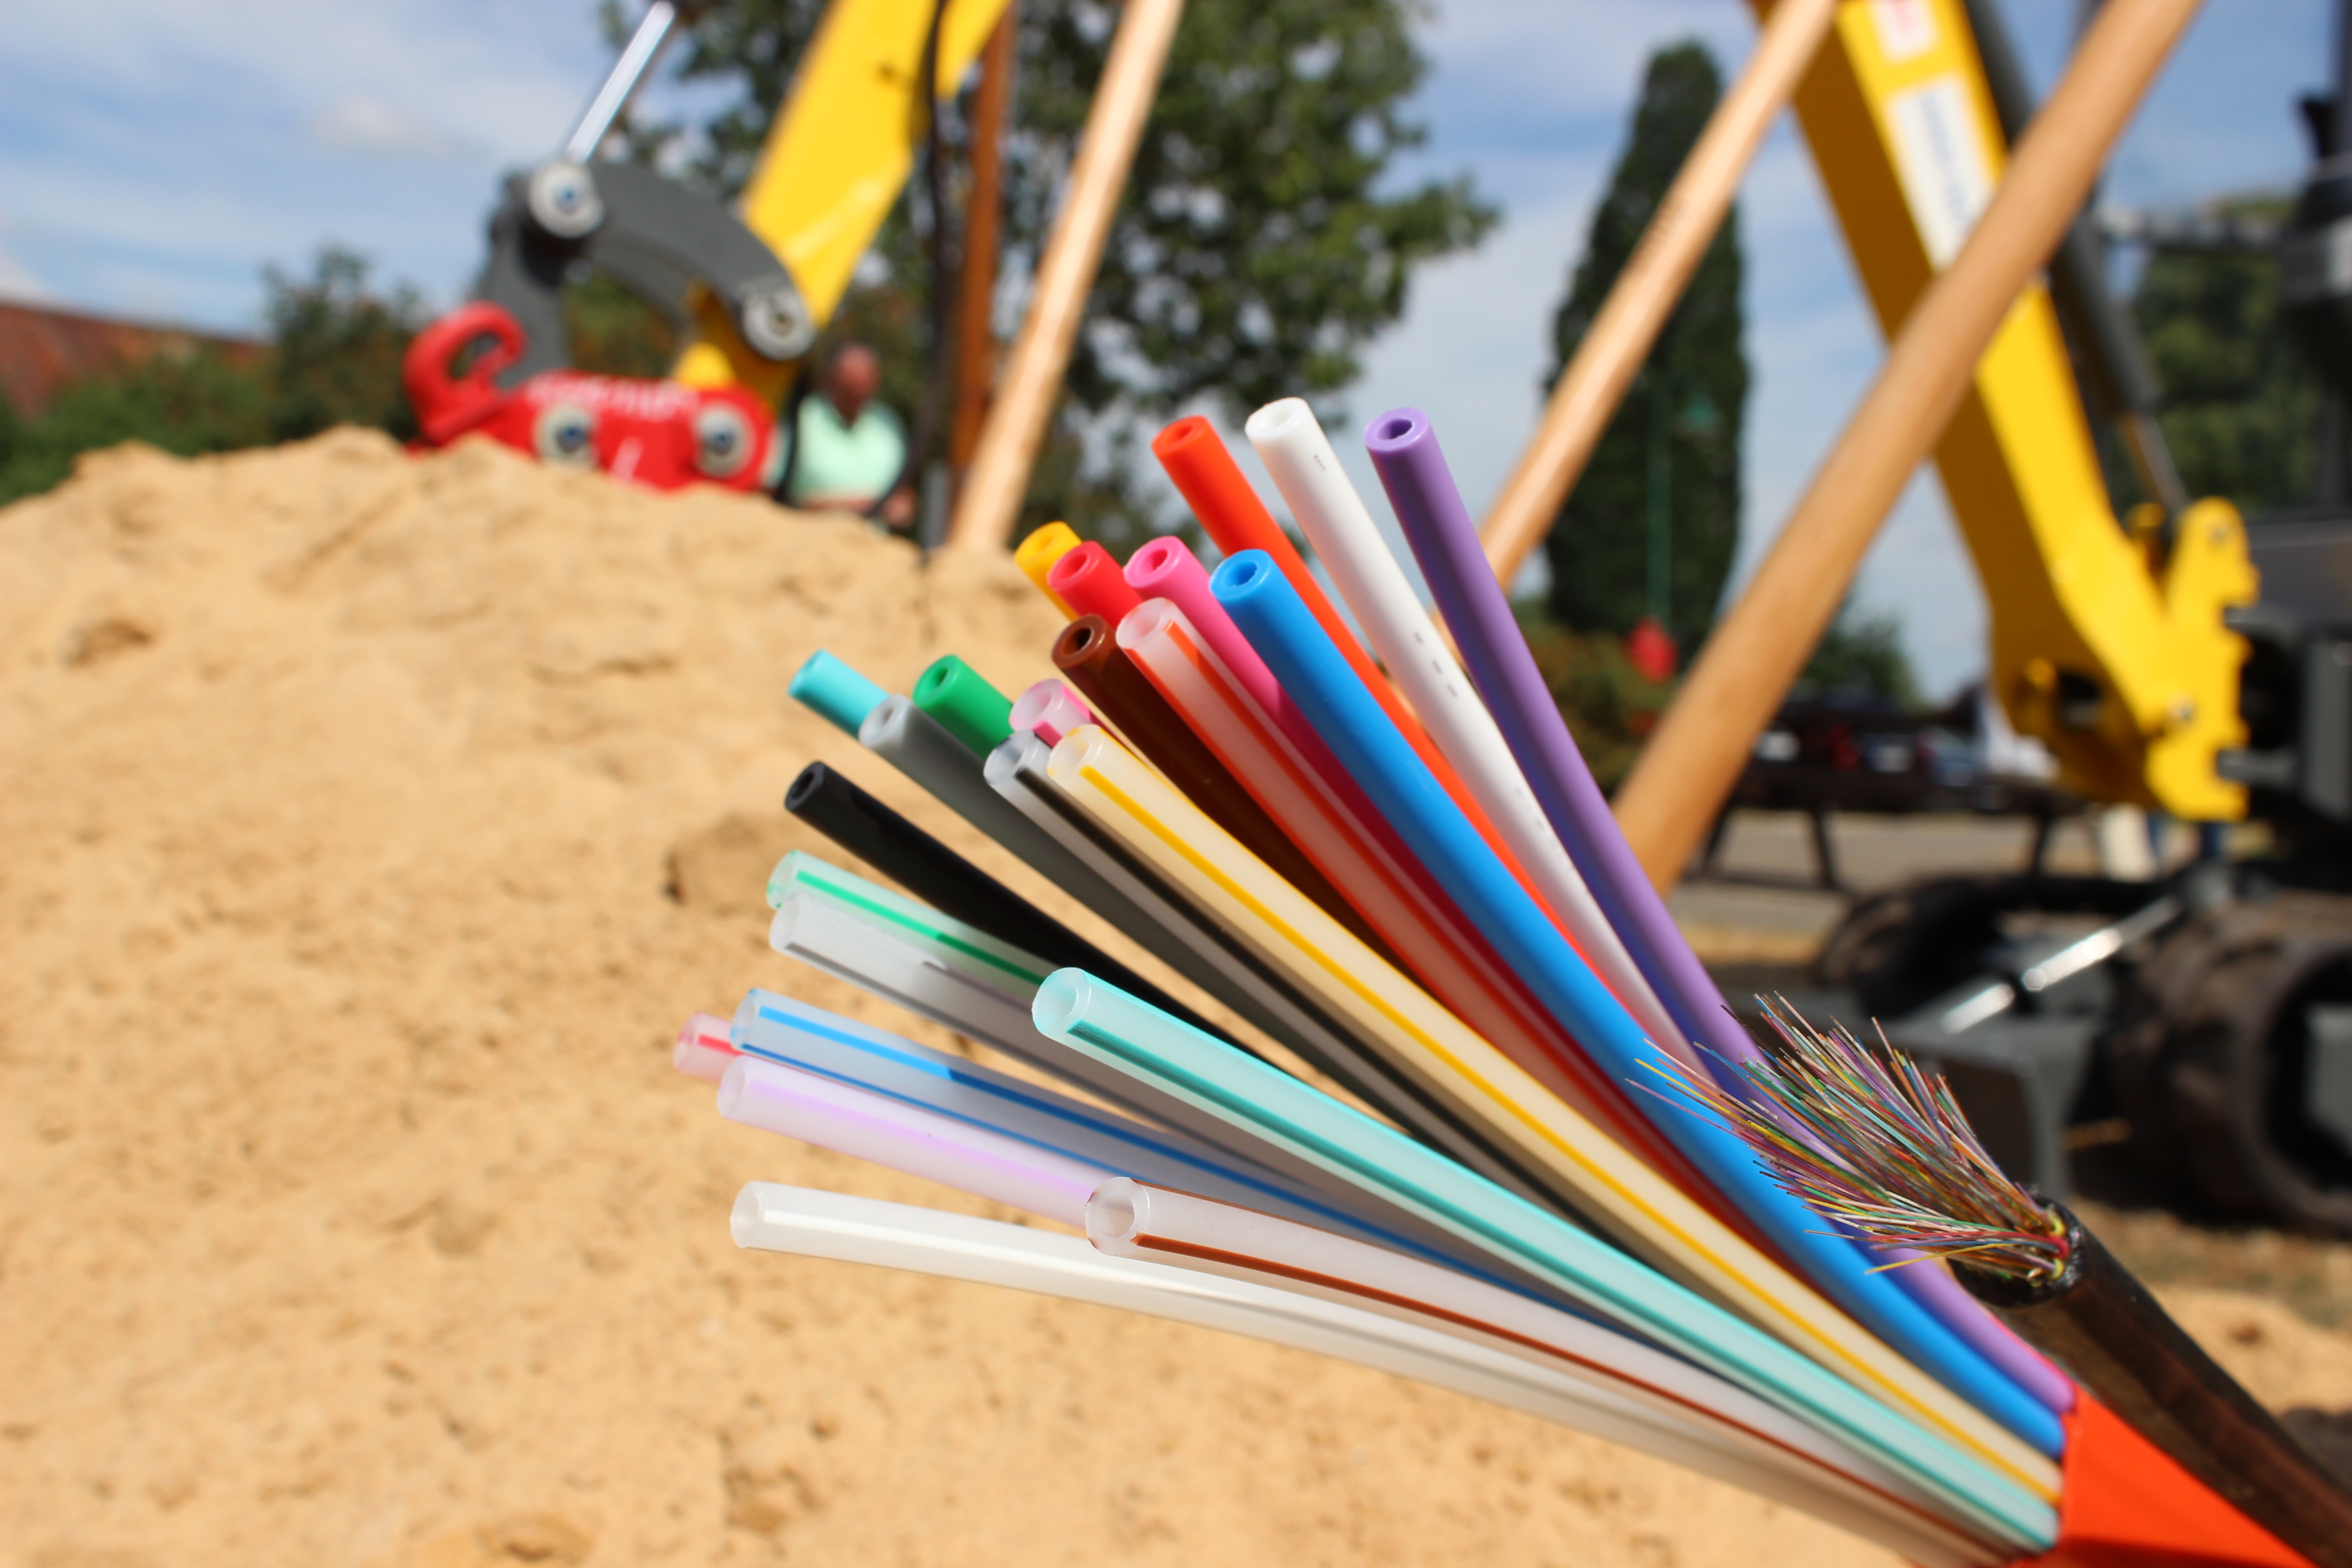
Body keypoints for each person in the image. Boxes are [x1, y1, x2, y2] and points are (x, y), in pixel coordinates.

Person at [781, 341, 916, 529]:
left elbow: (904, 495)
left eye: (865, 384)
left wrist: (902, 506)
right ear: (830, 379)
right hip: (807, 547)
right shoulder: (801, 420)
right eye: (850, 384)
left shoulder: (888, 425)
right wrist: (857, 508)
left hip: (872, 550)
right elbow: (772, 499)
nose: (858, 391)